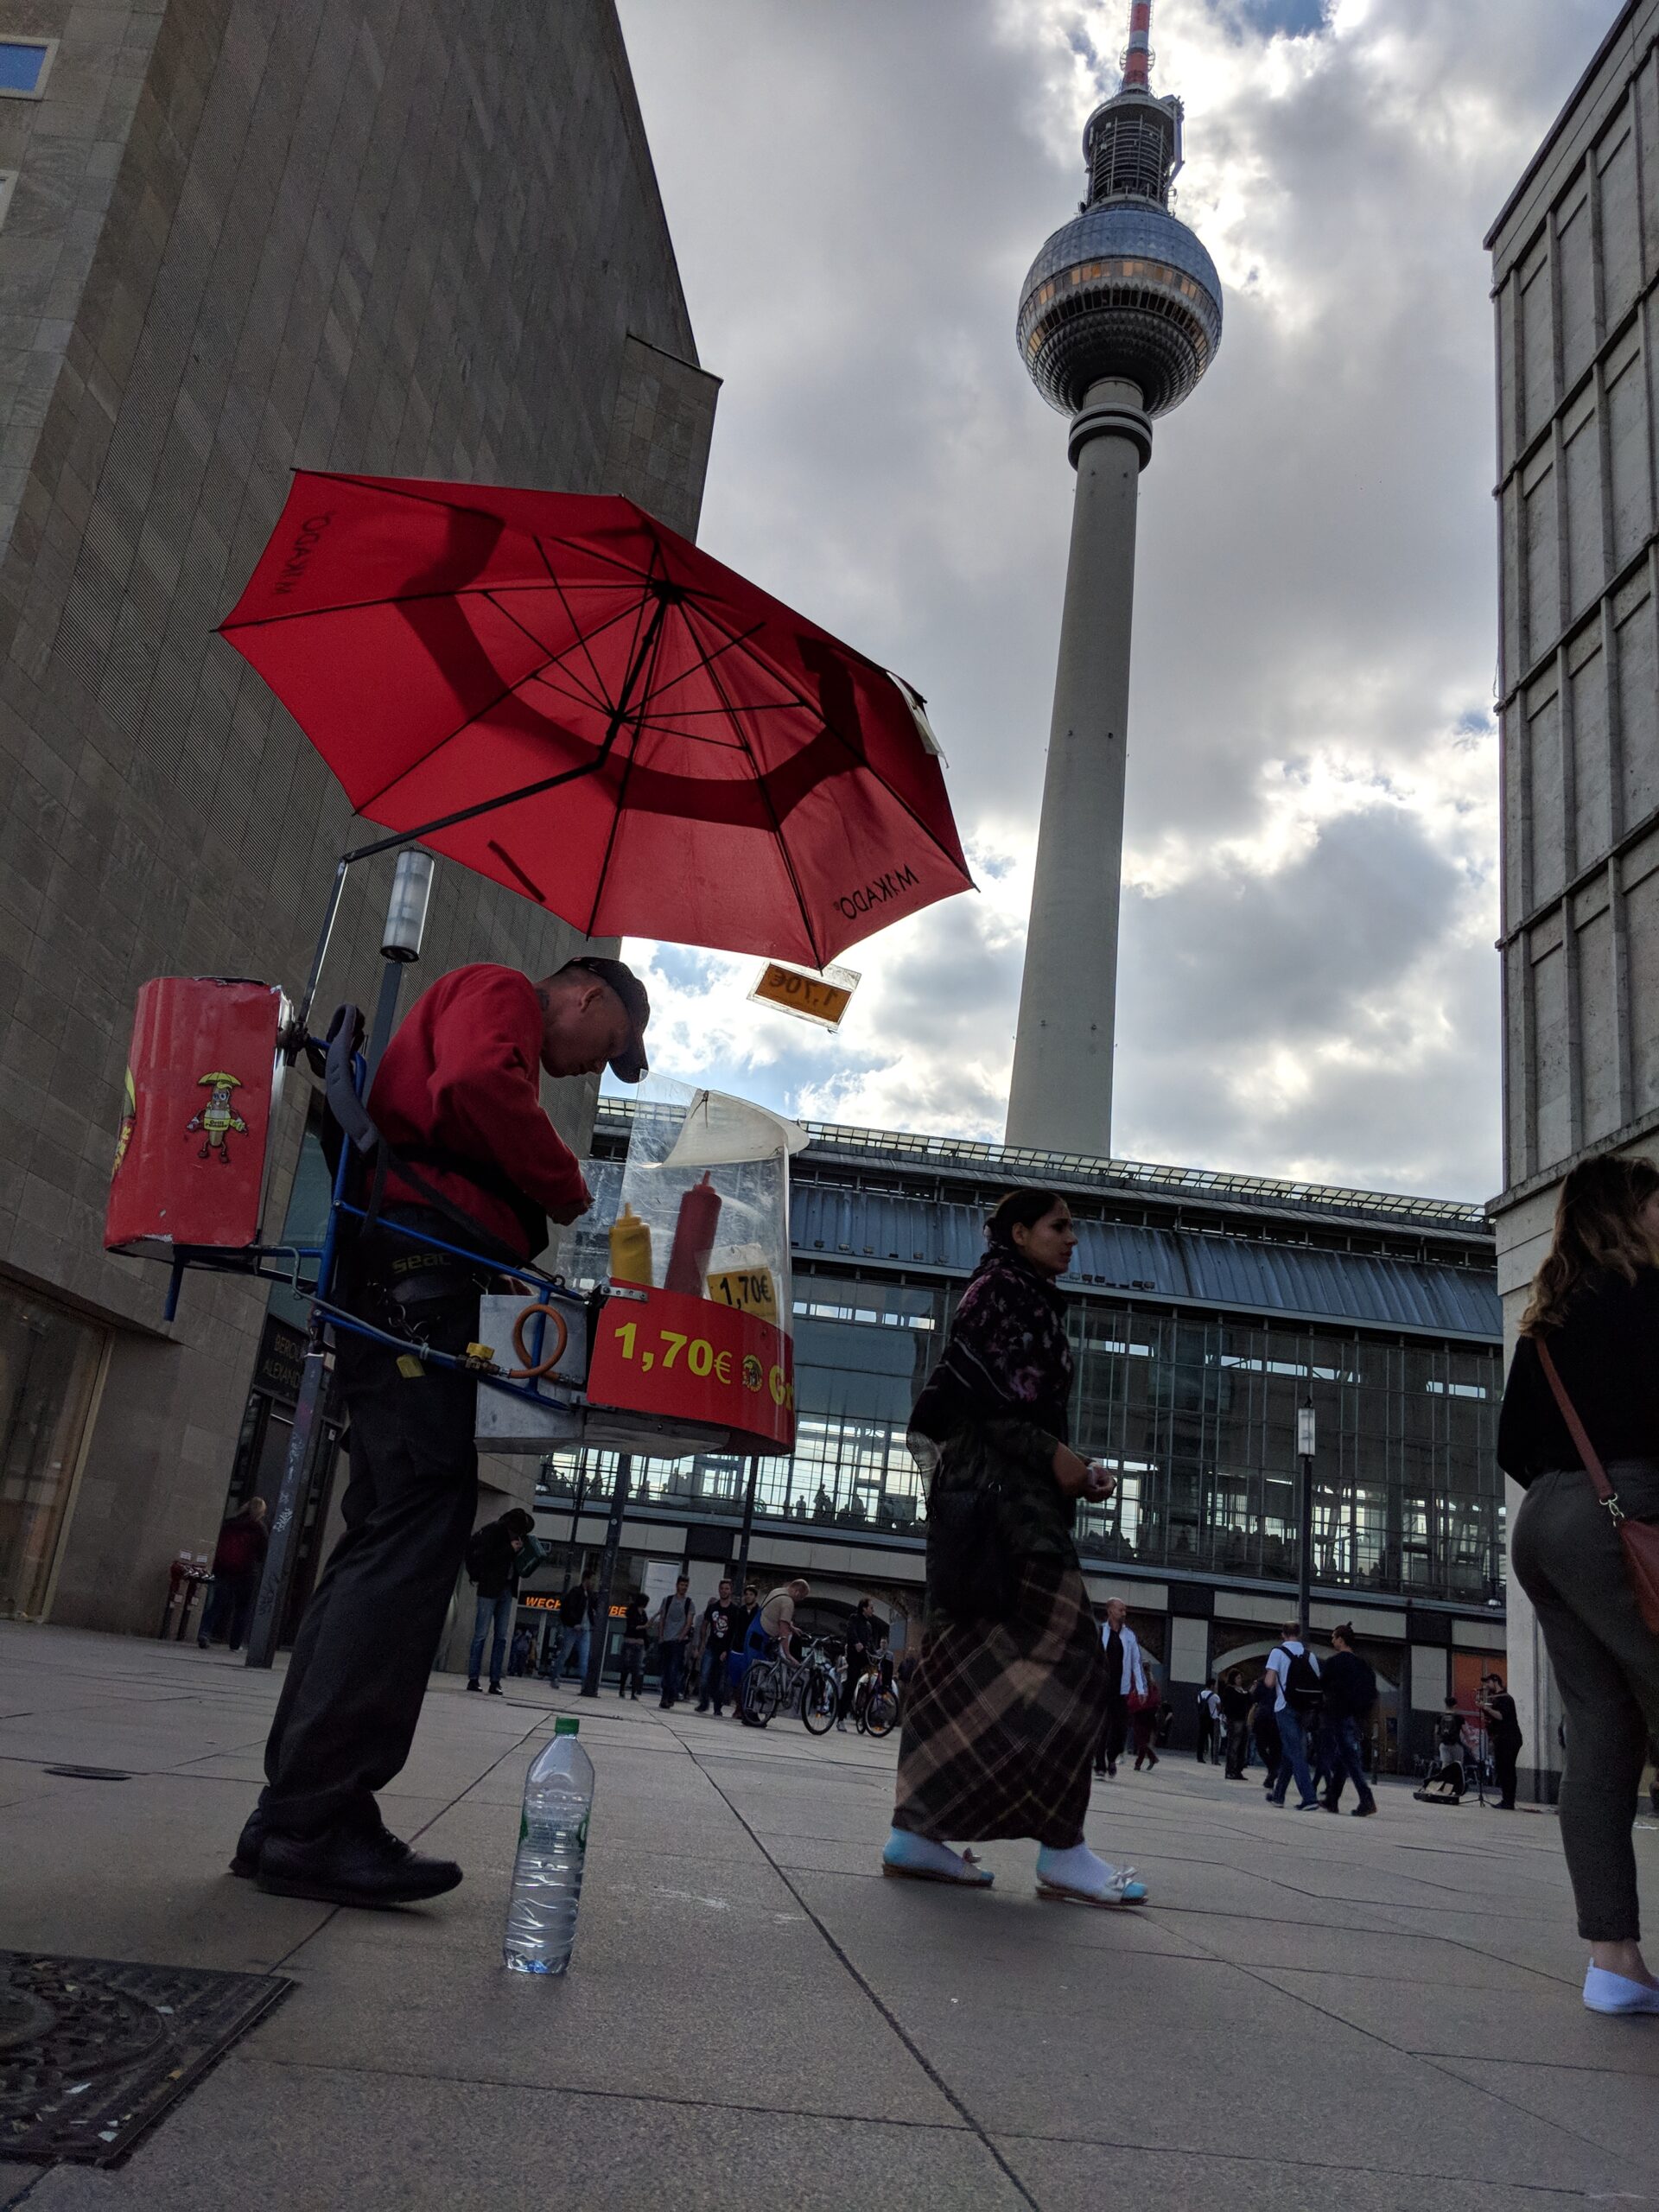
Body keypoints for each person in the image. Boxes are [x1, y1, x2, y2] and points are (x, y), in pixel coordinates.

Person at [234, 955, 649, 1909]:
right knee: (417, 1524)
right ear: (585, 997)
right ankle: (317, 1818)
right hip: (418, 1291)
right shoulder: (502, 989)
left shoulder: (490, 1014)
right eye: (610, 1048)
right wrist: (567, 1185)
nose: (592, 1070)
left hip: (402, 1287)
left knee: (384, 1528)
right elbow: (473, 1085)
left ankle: (290, 1808)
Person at [883, 1189, 1141, 1906]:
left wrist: (1066, 1465)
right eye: (1060, 1227)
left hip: (992, 1506)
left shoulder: (1020, 1294)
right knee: (1074, 1658)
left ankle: (919, 1834)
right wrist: (1059, 1458)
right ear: (1019, 1231)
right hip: (1005, 1511)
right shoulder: (1001, 1295)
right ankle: (1061, 1849)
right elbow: (982, 1405)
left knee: (959, 1664)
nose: (1073, 1240)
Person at [1500, 1151, 1659, 2014]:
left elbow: (1510, 1446)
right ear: (1630, 1211)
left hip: (1546, 1523)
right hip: (1625, 1513)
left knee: (1601, 1733)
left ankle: (1613, 1959)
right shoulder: (1648, 1298)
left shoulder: (1548, 1316)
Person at [463, 1507, 534, 1694]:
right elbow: (487, 1558)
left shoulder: (515, 1538)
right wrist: (509, 1550)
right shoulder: (495, 1533)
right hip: (489, 1588)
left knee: (501, 1636)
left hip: (505, 1588)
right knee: (481, 1635)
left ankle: (495, 1680)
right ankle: (474, 1678)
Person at [1318, 1624, 1378, 1817]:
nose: (1332, 1641)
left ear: (1341, 1639)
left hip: (1337, 1714)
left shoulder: (1334, 1663)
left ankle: (1366, 1799)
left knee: (1348, 1758)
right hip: (1356, 1716)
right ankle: (1332, 1799)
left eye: (1334, 1637)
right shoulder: (1363, 1665)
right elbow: (1371, 1693)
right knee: (1345, 1757)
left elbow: (1322, 1686)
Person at [198, 1497, 269, 1652]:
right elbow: (263, 1553)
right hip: (246, 1573)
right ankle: (235, 1643)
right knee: (242, 1609)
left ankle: (204, 1632)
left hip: (224, 1570)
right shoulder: (259, 1528)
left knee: (216, 1603)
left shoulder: (230, 1523)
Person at [1265, 1621, 1322, 1809]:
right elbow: (1317, 1682)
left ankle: (1309, 1798)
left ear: (1283, 1634)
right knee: (1290, 1751)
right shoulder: (1309, 1655)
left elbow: (1270, 1682)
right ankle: (1278, 1795)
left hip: (1285, 1707)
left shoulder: (1277, 1652)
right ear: (1299, 1634)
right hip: (1305, 1708)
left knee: (1296, 1753)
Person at [1093, 1597, 1146, 1779]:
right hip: (1102, 1688)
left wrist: (1141, 1689)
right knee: (1101, 1727)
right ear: (1110, 1611)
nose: (1124, 1613)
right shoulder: (1100, 1632)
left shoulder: (1129, 1636)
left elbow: (1136, 1664)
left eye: (1124, 1610)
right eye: (1120, 1610)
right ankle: (1100, 1764)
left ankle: (1112, 1757)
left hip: (1120, 1689)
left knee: (1120, 1729)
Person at [1478, 1671, 1522, 1812]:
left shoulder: (1505, 1699)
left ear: (1496, 1681)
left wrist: (1486, 1708)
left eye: (1488, 1682)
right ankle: (1506, 1799)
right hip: (1500, 1738)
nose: (1486, 1685)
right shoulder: (1496, 1699)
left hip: (1509, 1738)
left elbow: (1501, 1716)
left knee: (1507, 1769)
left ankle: (1509, 1801)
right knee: (1502, 1769)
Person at [544, 1570, 597, 1687]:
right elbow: (569, 1609)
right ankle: (556, 1677)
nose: (594, 1583)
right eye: (592, 1580)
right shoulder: (576, 1592)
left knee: (582, 1657)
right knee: (566, 1654)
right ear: (586, 1579)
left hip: (583, 1628)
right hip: (575, 1628)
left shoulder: (590, 1595)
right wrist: (574, 1623)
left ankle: (583, 1682)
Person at [838, 1598, 883, 1731]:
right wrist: (857, 1643)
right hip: (855, 1657)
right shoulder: (855, 1618)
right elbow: (851, 1632)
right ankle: (841, 1718)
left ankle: (866, 1714)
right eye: (871, 1608)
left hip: (865, 1657)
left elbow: (870, 1643)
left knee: (873, 1682)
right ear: (864, 1608)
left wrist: (877, 1654)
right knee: (851, 1685)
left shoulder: (868, 1625)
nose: (873, 1610)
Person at [693, 1580, 736, 1716]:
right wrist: (702, 1643)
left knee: (720, 1680)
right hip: (711, 1646)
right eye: (722, 1588)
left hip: (724, 1649)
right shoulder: (713, 1607)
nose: (724, 1591)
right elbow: (705, 1624)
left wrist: (727, 1649)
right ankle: (704, 1702)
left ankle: (718, 1707)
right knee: (704, 1676)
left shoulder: (734, 1610)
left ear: (730, 1591)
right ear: (719, 1590)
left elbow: (734, 1631)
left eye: (727, 1588)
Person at [654, 1574, 696, 1707]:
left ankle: (669, 1696)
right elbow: (662, 1619)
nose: (684, 1587)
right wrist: (661, 1636)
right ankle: (666, 1695)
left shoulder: (689, 1603)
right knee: (666, 1670)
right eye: (682, 1585)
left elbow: (689, 1622)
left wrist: (681, 1636)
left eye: (686, 1585)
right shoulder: (667, 1600)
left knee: (674, 1670)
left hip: (678, 1642)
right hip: (666, 1640)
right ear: (677, 1585)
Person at [1218, 1669, 1253, 1778]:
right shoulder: (1230, 1690)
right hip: (1235, 1720)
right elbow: (1231, 1703)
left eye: (1240, 1678)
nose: (1240, 1680)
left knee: (1242, 1746)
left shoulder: (1242, 1690)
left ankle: (1238, 1769)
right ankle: (1230, 1770)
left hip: (1243, 1719)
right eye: (1238, 1678)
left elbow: (1249, 1700)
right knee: (1234, 1745)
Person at [1251, 1666, 1282, 1787]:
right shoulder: (1282, 1684)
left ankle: (1272, 1771)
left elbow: (1254, 1699)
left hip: (1263, 1718)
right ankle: (1272, 1772)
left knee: (1260, 1746)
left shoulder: (1261, 1683)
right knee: (1276, 1749)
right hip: (1276, 1718)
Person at [1433, 1698, 1468, 1799]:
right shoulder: (1459, 1718)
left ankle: (1443, 1788)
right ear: (1455, 1706)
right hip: (1456, 1744)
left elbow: (1436, 1732)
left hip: (1444, 1745)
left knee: (1445, 1766)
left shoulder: (1440, 1717)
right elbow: (1466, 1732)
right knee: (1457, 1767)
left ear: (1445, 1705)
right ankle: (1455, 1789)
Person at [618, 1591, 650, 1700]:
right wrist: (644, 1626)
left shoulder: (643, 1614)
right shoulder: (632, 1611)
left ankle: (633, 1691)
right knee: (627, 1667)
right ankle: (623, 1689)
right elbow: (632, 1626)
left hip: (638, 1643)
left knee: (636, 1668)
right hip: (631, 1641)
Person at [1130, 1666, 1162, 1771]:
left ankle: (1149, 1759)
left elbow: (1133, 1697)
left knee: (1140, 1740)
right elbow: (1157, 1701)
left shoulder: (1139, 1682)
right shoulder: (1154, 1685)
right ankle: (1139, 1763)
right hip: (1150, 1715)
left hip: (1139, 1713)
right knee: (1143, 1740)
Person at [1196, 1679, 1221, 1764]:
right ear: (1212, 1686)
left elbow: (1199, 1704)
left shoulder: (1200, 1694)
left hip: (1202, 1718)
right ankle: (1214, 1759)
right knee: (1214, 1739)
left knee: (1201, 1738)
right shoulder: (1215, 1696)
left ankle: (1200, 1757)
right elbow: (1219, 1707)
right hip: (1212, 1719)